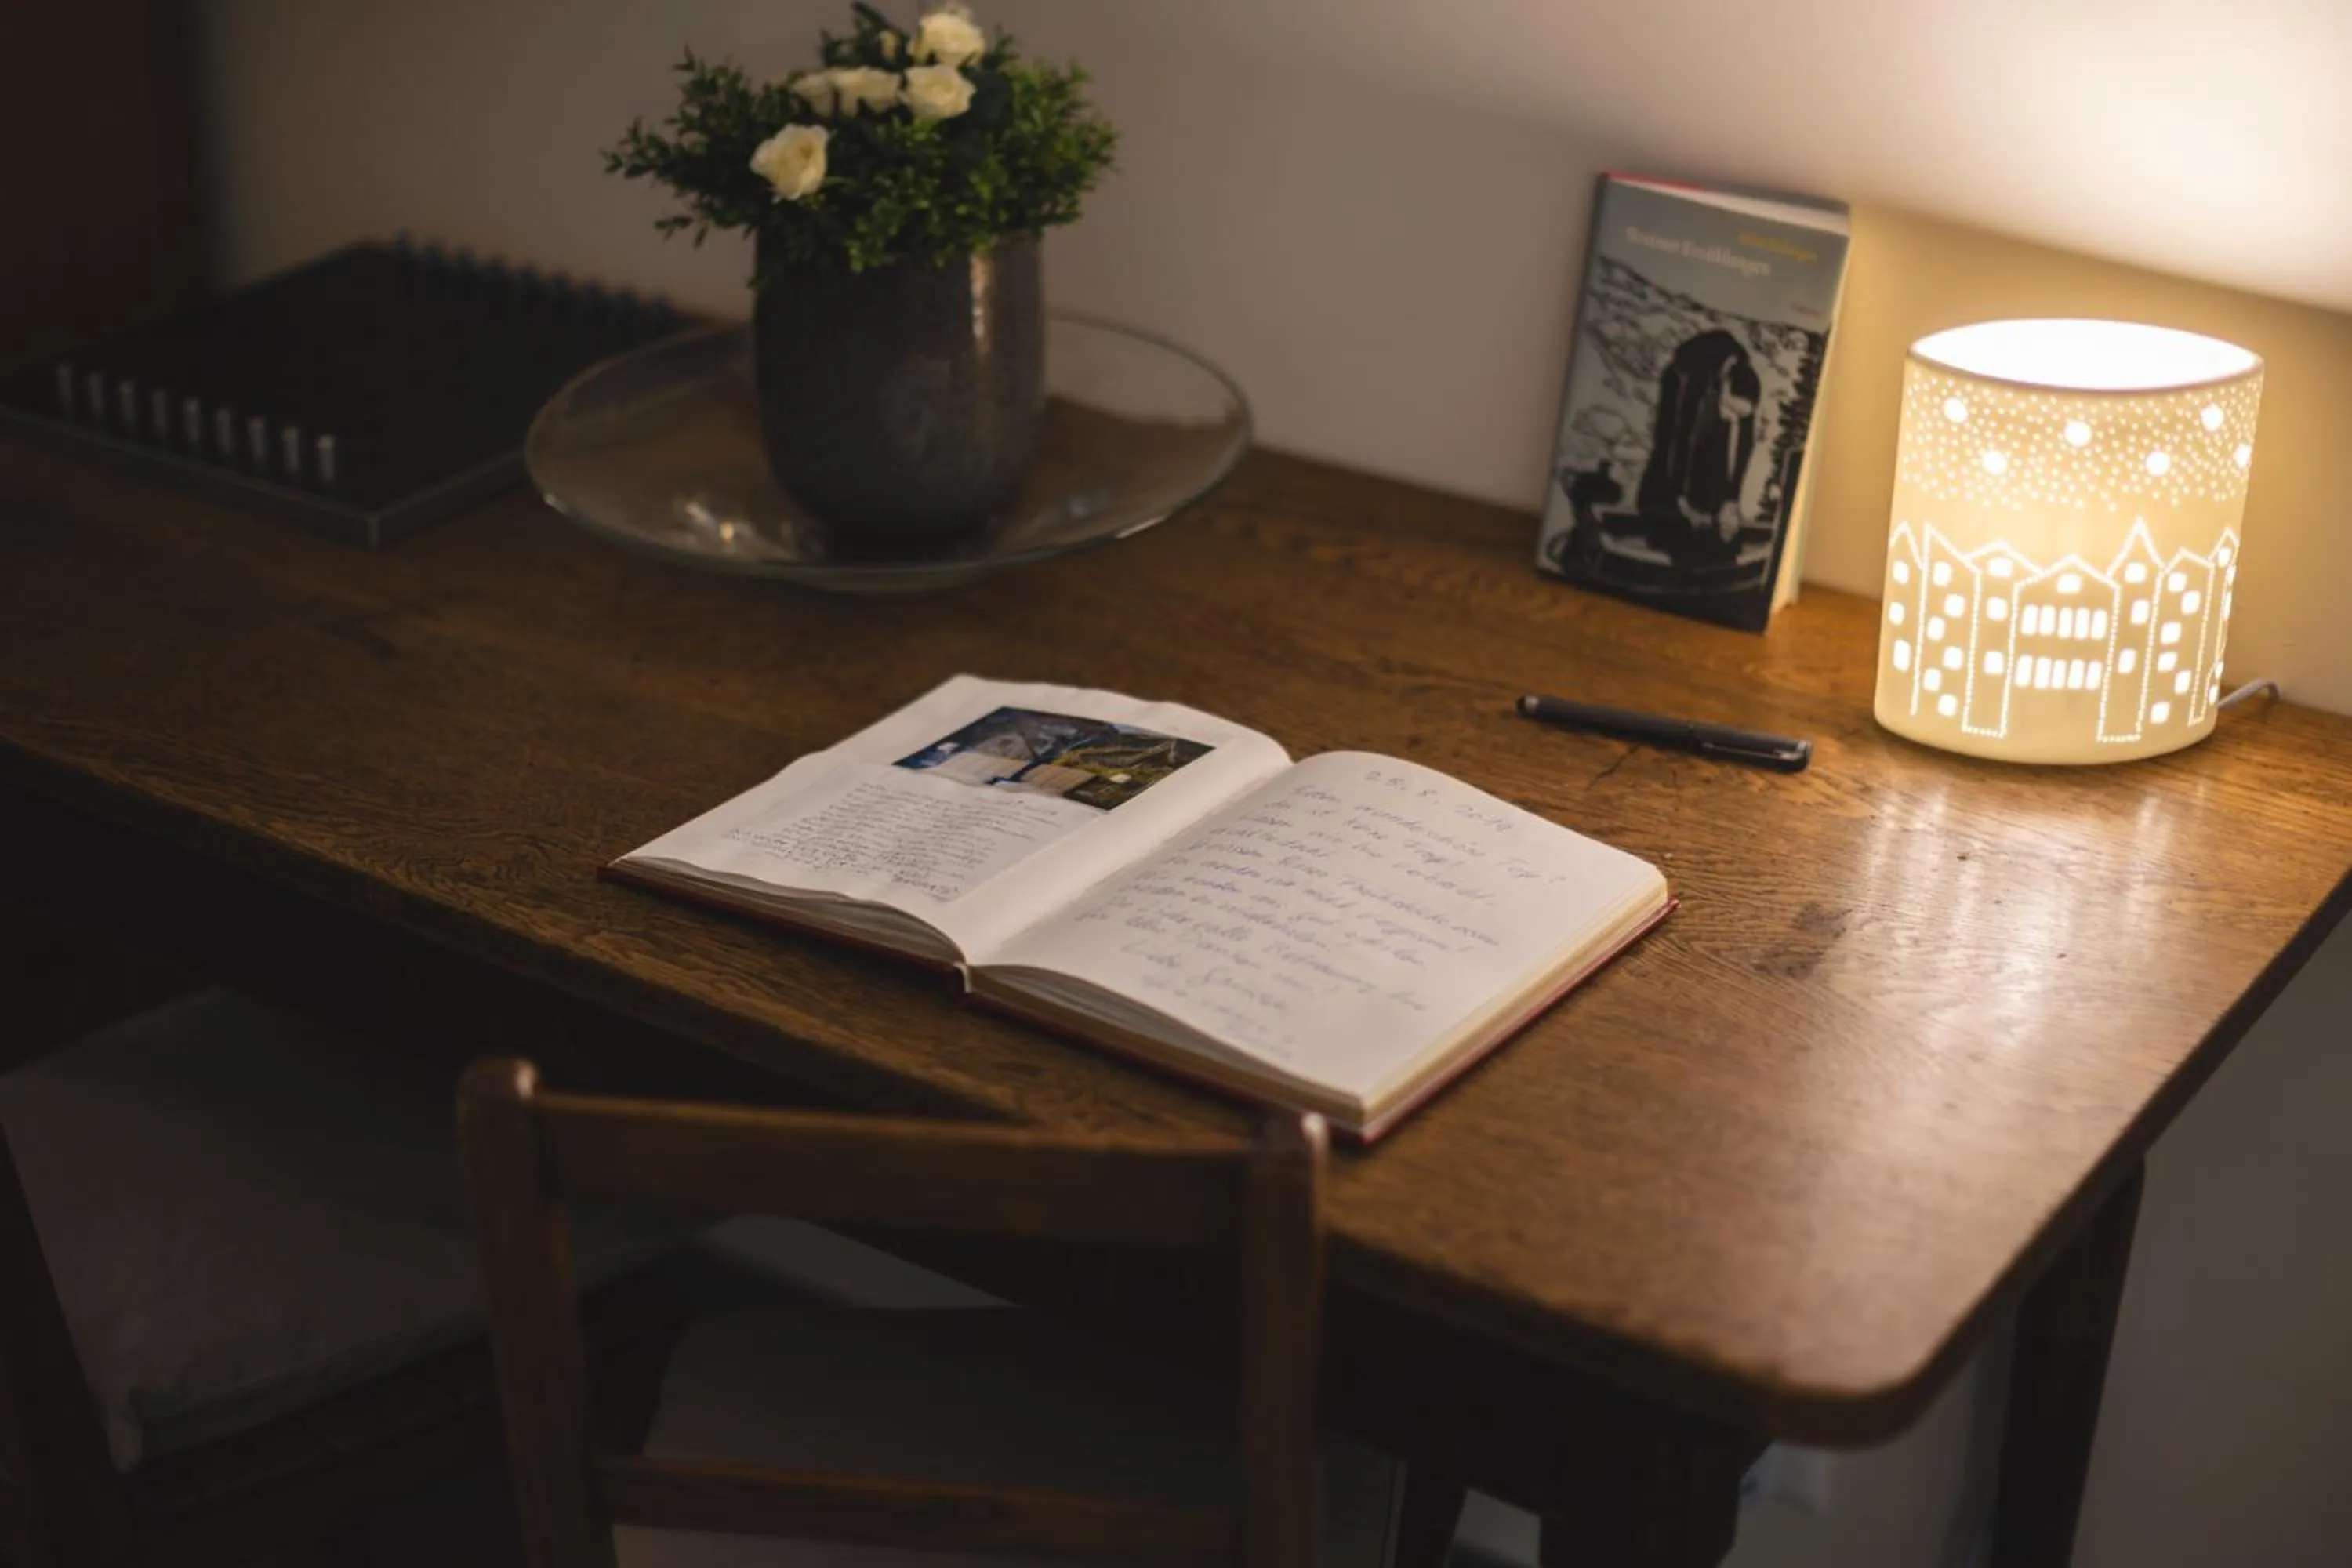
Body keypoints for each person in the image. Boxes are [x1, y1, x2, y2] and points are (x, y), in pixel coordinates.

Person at [1636, 329, 1760, 566]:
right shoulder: (1690, 378)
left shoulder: (1745, 380)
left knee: (1719, 530)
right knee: (1667, 467)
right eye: (1732, 411)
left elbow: (1744, 444)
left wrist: (1732, 499)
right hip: (1681, 416)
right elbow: (1677, 442)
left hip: (1711, 405)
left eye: (1741, 415)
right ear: (1724, 387)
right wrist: (1680, 499)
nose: (1734, 420)